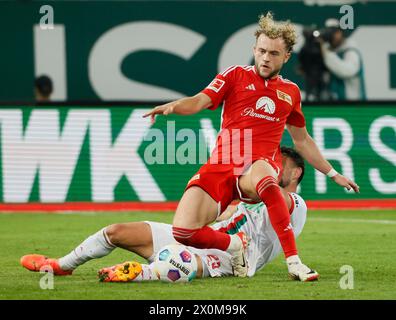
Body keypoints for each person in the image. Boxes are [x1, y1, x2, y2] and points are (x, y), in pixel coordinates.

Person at [142, 12, 359, 280]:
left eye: (274, 53)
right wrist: (175, 106)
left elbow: (302, 139)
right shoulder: (234, 76)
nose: (266, 57)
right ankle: (235, 246)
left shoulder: (290, 92)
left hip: (259, 164)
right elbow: (199, 101)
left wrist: (333, 174)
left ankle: (294, 262)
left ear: (287, 57)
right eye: (262, 51)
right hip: (224, 162)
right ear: (254, 50)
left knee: (266, 181)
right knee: (183, 231)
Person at [20, 147, 318, 282]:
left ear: (295, 172)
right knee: (116, 231)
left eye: (276, 163)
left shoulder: (294, 203)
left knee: (178, 263)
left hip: (232, 261)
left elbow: (275, 199)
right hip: (209, 240)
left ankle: (137, 274)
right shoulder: (248, 193)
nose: (267, 166)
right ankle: (61, 265)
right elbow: (221, 213)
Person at [319, 18, 366, 100]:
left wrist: (326, 52)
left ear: (342, 33)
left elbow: (346, 71)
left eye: (335, 32)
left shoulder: (351, 51)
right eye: (329, 33)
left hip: (352, 104)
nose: (332, 36)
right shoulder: (330, 50)